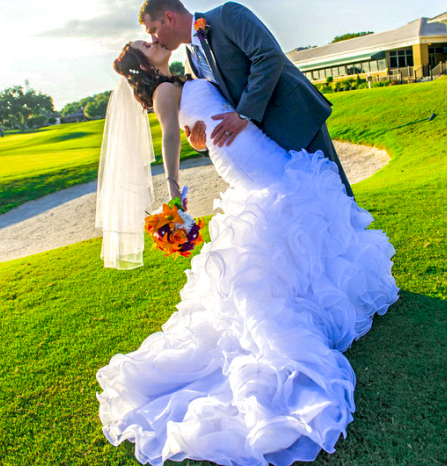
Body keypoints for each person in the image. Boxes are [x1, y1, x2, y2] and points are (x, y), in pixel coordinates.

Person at [95, 35, 398, 466]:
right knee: (284, 204)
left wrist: (200, 137)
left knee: (289, 210)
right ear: (144, 64)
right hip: (239, 152)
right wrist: (176, 194)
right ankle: (287, 307)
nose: (153, 40)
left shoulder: (179, 76)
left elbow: (194, 130)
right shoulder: (163, 91)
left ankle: (303, 291)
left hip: (241, 143)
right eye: (145, 43)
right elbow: (169, 139)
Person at [138, 0, 354, 198]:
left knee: (336, 200)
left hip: (296, 121)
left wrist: (243, 114)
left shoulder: (227, 15)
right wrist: (200, 144)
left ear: (169, 17)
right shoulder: (190, 61)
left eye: (153, 29)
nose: (153, 39)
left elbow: (268, 56)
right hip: (264, 146)